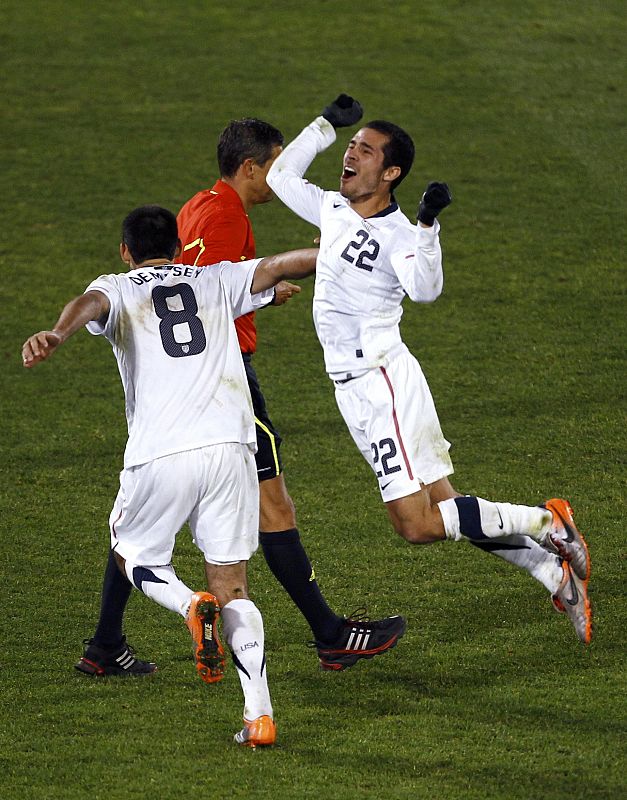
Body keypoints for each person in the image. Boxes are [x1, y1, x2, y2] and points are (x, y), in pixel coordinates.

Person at [76, 118, 406, 678]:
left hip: (185, 390)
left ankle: (105, 643)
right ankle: (328, 636)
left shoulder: (201, 205)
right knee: (272, 506)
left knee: (136, 518)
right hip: (221, 384)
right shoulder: (227, 216)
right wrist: (322, 259)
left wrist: (261, 296)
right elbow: (198, 290)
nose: (280, 177)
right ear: (251, 168)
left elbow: (184, 285)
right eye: (275, 166)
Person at [266, 95, 593, 644]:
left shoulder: (400, 236)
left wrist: (426, 225)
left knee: (416, 525)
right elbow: (279, 175)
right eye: (351, 145)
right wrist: (325, 124)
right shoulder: (331, 208)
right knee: (447, 507)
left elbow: (425, 290)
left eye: (364, 150)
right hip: (356, 388)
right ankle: (550, 571)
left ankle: (546, 521)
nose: (350, 154)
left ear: (390, 172)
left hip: (382, 383)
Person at [22, 205, 322, 746]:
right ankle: (260, 716)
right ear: (181, 247)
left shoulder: (118, 285)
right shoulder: (215, 276)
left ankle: (188, 606)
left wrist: (57, 332)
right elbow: (280, 265)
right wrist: (338, 254)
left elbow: (90, 303)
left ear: (124, 251)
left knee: (131, 550)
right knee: (232, 585)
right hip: (232, 448)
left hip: (162, 450)